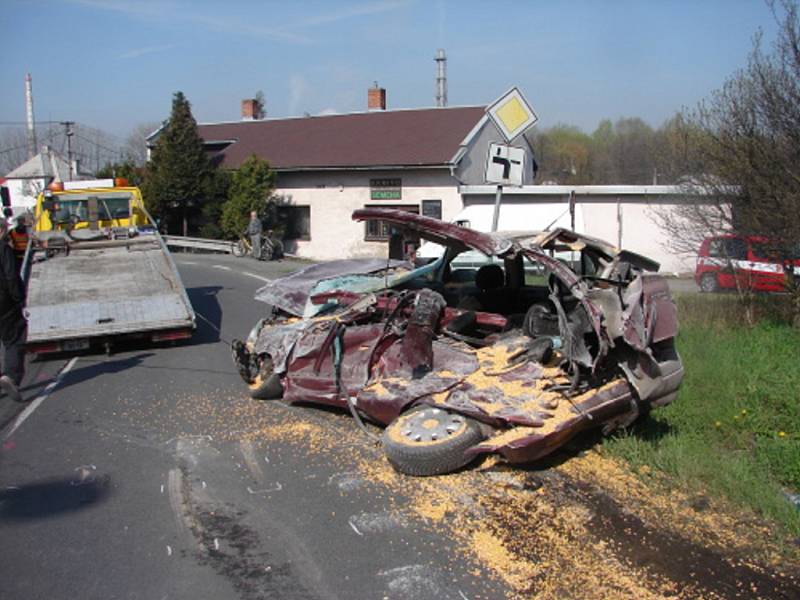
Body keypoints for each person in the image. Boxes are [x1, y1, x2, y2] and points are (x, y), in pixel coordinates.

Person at [0, 219, 25, 402]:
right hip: (4, 303)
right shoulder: (3, 248)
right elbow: (10, 275)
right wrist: (18, 298)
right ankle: (11, 377)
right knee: (14, 338)